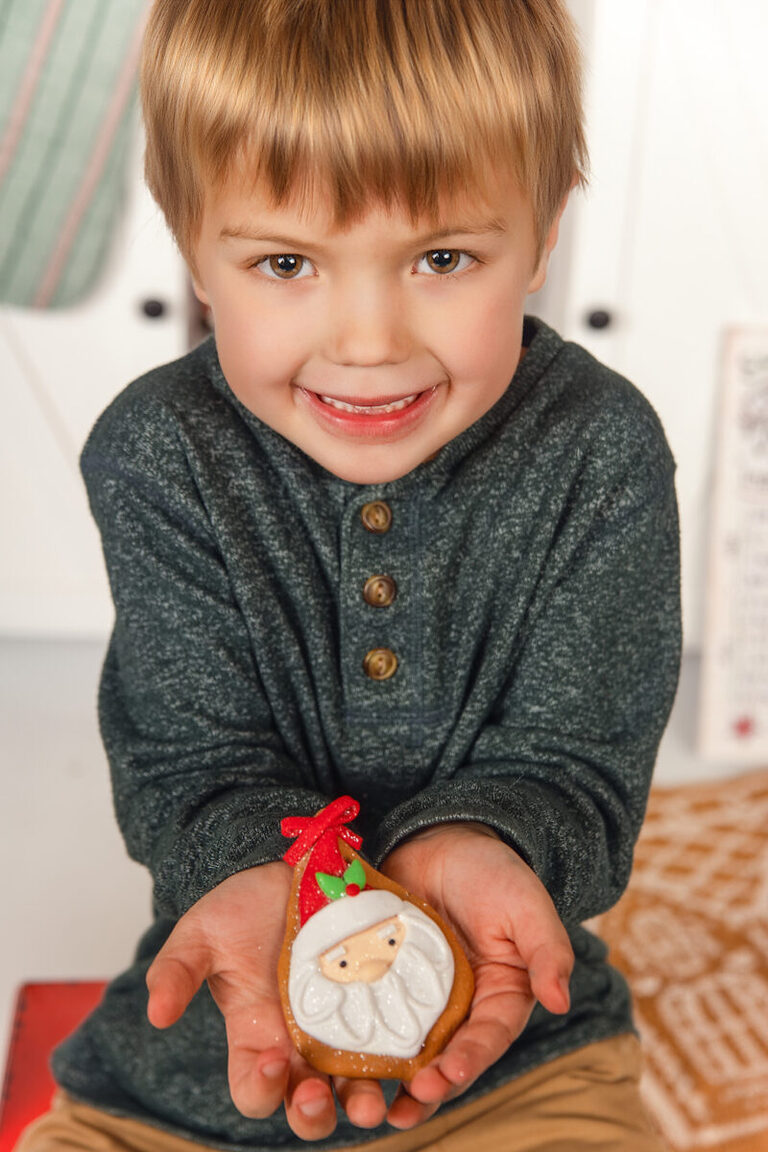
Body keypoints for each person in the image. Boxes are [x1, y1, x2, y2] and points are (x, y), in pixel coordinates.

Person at [17, 1, 681, 1149]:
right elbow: (189, 760)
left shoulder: (601, 451)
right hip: (198, 1068)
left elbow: (578, 763)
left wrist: (487, 845)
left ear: (544, 228)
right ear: (192, 242)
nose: (368, 341)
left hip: (516, 1061)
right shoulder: (160, 451)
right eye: (286, 261)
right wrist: (265, 878)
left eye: (442, 258)